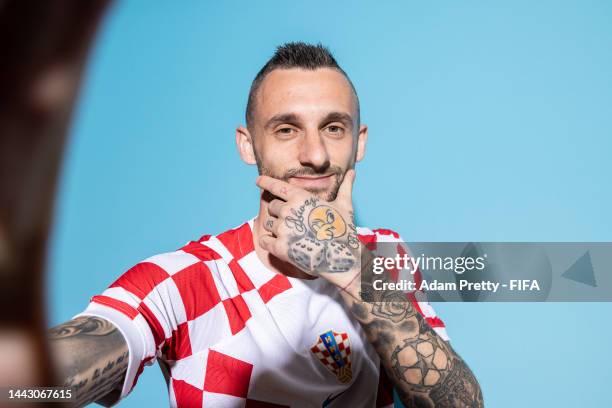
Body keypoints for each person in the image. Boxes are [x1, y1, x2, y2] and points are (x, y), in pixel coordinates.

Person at [50, 42, 483, 407]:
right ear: (247, 144)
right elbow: (43, 377)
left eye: (333, 127)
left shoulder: (384, 257)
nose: (314, 154)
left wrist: (352, 268)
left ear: (360, 142)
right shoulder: (186, 280)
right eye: (286, 130)